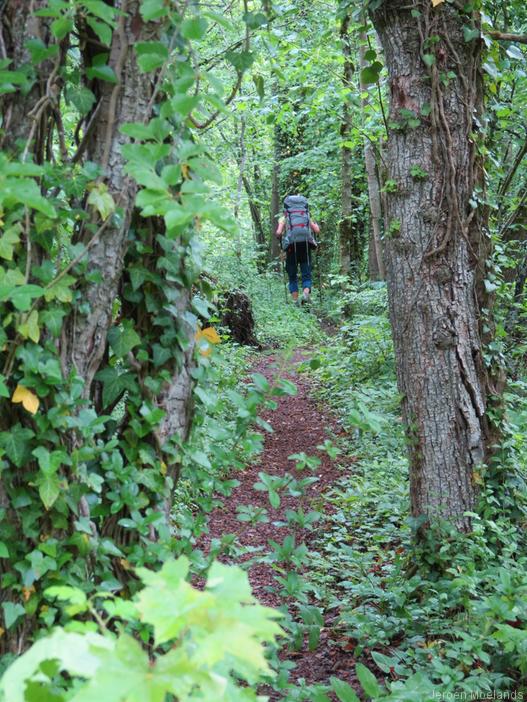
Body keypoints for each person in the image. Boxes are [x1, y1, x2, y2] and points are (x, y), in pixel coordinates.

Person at [275, 195, 320, 305]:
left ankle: (295, 302)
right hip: (305, 245)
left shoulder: (284, 217)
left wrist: (280, 238)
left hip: (291, 247)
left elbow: (279, 233)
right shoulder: (306, 215)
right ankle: (305, 294)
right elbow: (317, 230)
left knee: (292, 275)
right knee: (306, 273)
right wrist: (316, 225)